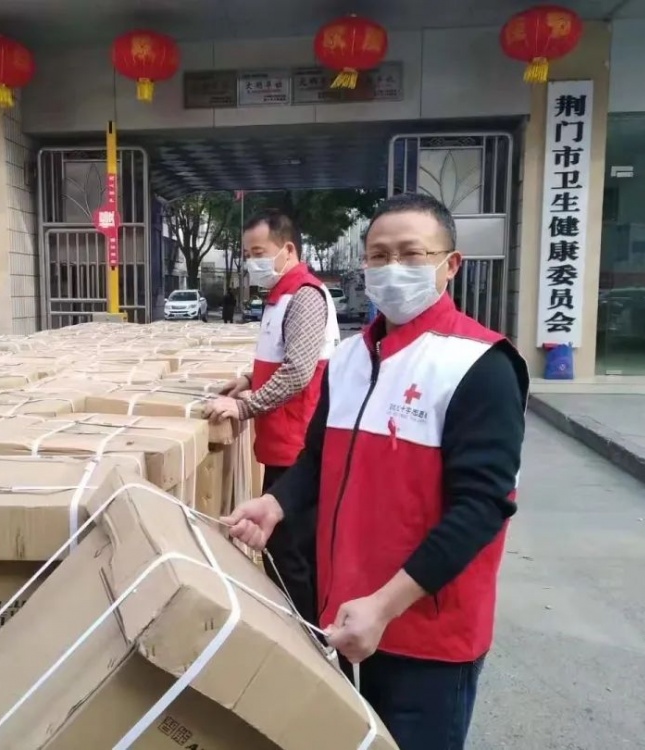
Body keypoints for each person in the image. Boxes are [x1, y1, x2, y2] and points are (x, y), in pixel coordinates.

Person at [222, 193, 529, 750]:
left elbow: (482, 508)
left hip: (424, 635)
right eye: (379, 255)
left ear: (450, 265)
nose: (392, 268)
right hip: (343, 616)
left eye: (411, 254)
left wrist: (385, 605)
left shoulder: (480, 365)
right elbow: (318, 458)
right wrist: (275, 503)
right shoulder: (349, 360)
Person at [205, 209, 340, 626]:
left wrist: (244, 406)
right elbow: (283, 357)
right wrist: (248, 380)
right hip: (280, 441)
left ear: (288, 250)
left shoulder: (304, 296)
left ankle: (306, 638)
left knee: (289, 552)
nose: (252, 262)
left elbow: (298, 371)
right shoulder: (280, 296)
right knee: (283, 550)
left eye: (259, 252)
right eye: (247, 254)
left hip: (298, 445)